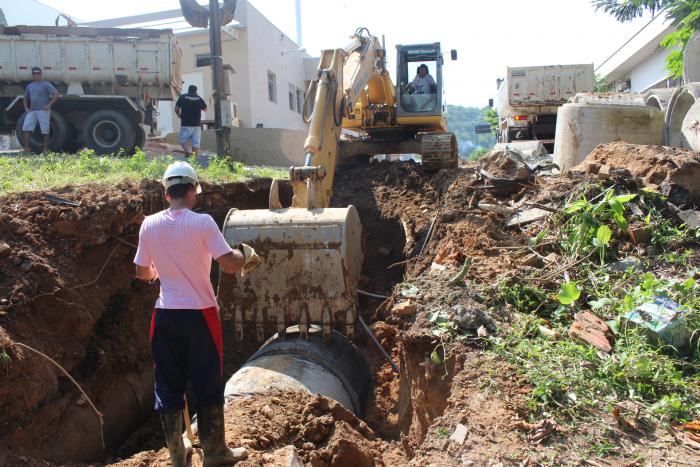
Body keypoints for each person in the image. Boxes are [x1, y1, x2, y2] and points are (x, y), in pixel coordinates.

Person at [134, 161, 260, 467]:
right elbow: (229, 263)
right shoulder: (202, 223)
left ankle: (178, 454)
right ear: (193, 191)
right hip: (200, 314)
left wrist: (161, 271)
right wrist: (246, 253)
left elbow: (142, 271)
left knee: (167, 383)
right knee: (207, 381)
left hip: (164, 316)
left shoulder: (148, 225)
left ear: (166, 194)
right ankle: (215, 452)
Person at [22, 67, 59, 154]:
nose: (36, 75)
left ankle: (45, 149)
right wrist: (26, 108)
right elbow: (25, 97)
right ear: (32, 75)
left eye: (38, 73)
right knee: (26, 128)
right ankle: (26, 149)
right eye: (34, 73)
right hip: (32, 111)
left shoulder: (46, 84)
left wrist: (49, 105)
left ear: (41, 74)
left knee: (45, 130)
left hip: (43, 111)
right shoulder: (30, 86)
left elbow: (56, 94)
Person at [175, 85, 208, 156]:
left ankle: (187, 152)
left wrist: (179, 115)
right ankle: (194, 159)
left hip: (185, 123)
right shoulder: (199, 99)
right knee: (196, 143)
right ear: (196, 91)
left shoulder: (182, 97)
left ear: (188, 90)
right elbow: (205, 109)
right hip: (197, 125)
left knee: (183, 140)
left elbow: (177, 109)